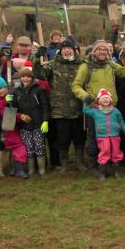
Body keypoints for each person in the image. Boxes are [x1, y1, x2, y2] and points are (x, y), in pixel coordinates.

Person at [71, 39, 125, 166]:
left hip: (111, 108)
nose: (102, 51)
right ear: (94, 52)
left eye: (105, 49)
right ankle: (93, 163)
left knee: (112, 135)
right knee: (94, 136)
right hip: (95, 107)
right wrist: (86, 96)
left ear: (108, 52)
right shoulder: (86, 66)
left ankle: (110, 162)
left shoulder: (110, 64)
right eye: (99, 49)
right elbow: (76, 86)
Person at [33, 38, 84, 171]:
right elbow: (38, 73)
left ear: (74, 50)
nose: (67, 51)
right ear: (60, 51)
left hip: (79, 109)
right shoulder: (53, 64)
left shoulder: (82, 65)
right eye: (64, 49)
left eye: (70, 48)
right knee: (62, 139)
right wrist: (37, 57)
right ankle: (64, 164)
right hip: (60, 110)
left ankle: (80, 162)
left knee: (79, 138)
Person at [83, 89, 125, 180]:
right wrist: (86, 101)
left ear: (110, 100)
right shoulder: (95, 111)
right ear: (99, 100)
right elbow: (86, 110)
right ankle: (102, 173)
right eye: (103, 98)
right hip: (102, 136)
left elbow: (121, 122)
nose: (105, 100)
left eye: (107, 98)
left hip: (115, 136)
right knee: (104, 153)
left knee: (116, 153)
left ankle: (116, 172)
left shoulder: (115, 111)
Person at [0, 74, 29, 179]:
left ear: (6, 87)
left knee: (19, 146)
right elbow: (6, 114)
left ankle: (15, 168)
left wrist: (11, 101)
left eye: (1, 87)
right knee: (18, 146)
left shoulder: (11, 94)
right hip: (8, 124)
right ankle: (19, 170)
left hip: (16, 124)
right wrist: (21, 116)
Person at [13, 67, 50, 175]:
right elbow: (14, 109)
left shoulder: (39, 89)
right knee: (28, 147)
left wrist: (45, 120)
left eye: (28, 77)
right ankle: (31, 169)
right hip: (24, 126)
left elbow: (45, 107)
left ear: (32, 78)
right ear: (20, 78)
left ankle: (42, 168)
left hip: (38, 124)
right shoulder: (16, 92)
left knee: (39, 146)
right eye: (23, 77)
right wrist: (9, 102)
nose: (26, 79)